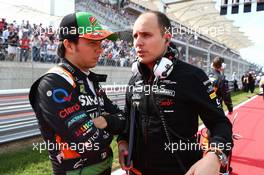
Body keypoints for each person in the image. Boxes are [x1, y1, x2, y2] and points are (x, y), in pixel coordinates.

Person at [117, 11, 233, 175]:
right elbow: (127, 119)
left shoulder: (193, 76)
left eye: (146, 35)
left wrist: (215, 155)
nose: (138, 42)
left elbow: (221, 124)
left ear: (167, 38)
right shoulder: (134, 79)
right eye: (135, 36)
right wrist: (122, 142)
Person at [29, 12, 126, 175]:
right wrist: (112, 125)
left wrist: (105, 120)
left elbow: (124, 118)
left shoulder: (90, 79)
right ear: (69, 45)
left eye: (101, 42)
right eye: (92, 42)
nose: (100, 49)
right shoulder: (53, 83)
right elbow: (90, 143)